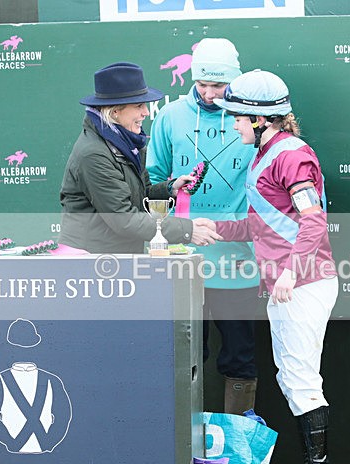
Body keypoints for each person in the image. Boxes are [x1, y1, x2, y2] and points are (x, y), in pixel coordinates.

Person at [199, 69, 339, 464]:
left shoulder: (292, 155)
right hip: (285, 285)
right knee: (293, 377)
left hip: (302, 284)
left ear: (261, 119)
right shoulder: (267, 154)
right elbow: (261, 225)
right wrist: (213, 228)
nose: (233, 124)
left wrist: (292, 272)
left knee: (300, 379)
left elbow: (312, 221)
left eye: (239, 117)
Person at [147, 39, 260, 414]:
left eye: (219, 85)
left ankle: (237, 453)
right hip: (183, 260)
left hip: (238, 263)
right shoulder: (170, 117)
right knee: (184, 357)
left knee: (240, 359)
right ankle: (183, 453)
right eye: (202, 85)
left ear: (236, 80)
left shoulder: (253, 119)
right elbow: (152, 183)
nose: (210, 94)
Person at [58, 62, 218, 253]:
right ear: (115, 111)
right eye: (138, 106)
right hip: (91, 262)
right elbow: (124, 219)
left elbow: (140, 195)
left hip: (115, 258)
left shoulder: (127, 142)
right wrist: (187, 230)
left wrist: (170, 189)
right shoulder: (94, 154)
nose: (146, 112)